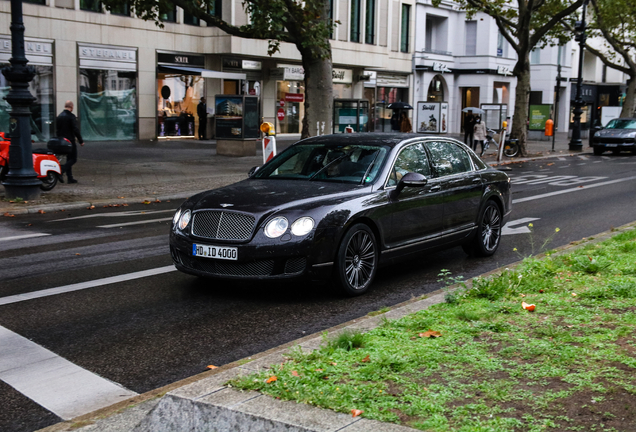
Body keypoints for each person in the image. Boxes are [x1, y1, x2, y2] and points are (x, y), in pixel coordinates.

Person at [56, 100, 84, 184]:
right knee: (73, 159)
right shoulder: (71, 116)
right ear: (71, 107)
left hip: (62, 140)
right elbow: (75, 129)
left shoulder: (60, 116)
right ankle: (62, 170)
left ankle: (70, 177)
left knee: (69, 158)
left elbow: (58, 129)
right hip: (70, 140)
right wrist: (80, 140)